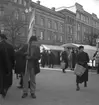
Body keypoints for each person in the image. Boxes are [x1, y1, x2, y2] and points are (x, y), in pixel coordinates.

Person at [0, 33, 15, 98]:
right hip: (8, 65)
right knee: (7, 79)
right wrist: (13, 65)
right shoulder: (10, 46)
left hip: (1, 65)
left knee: (1, 78)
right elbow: (13, 57)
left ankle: (2, 89)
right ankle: (5, 89)